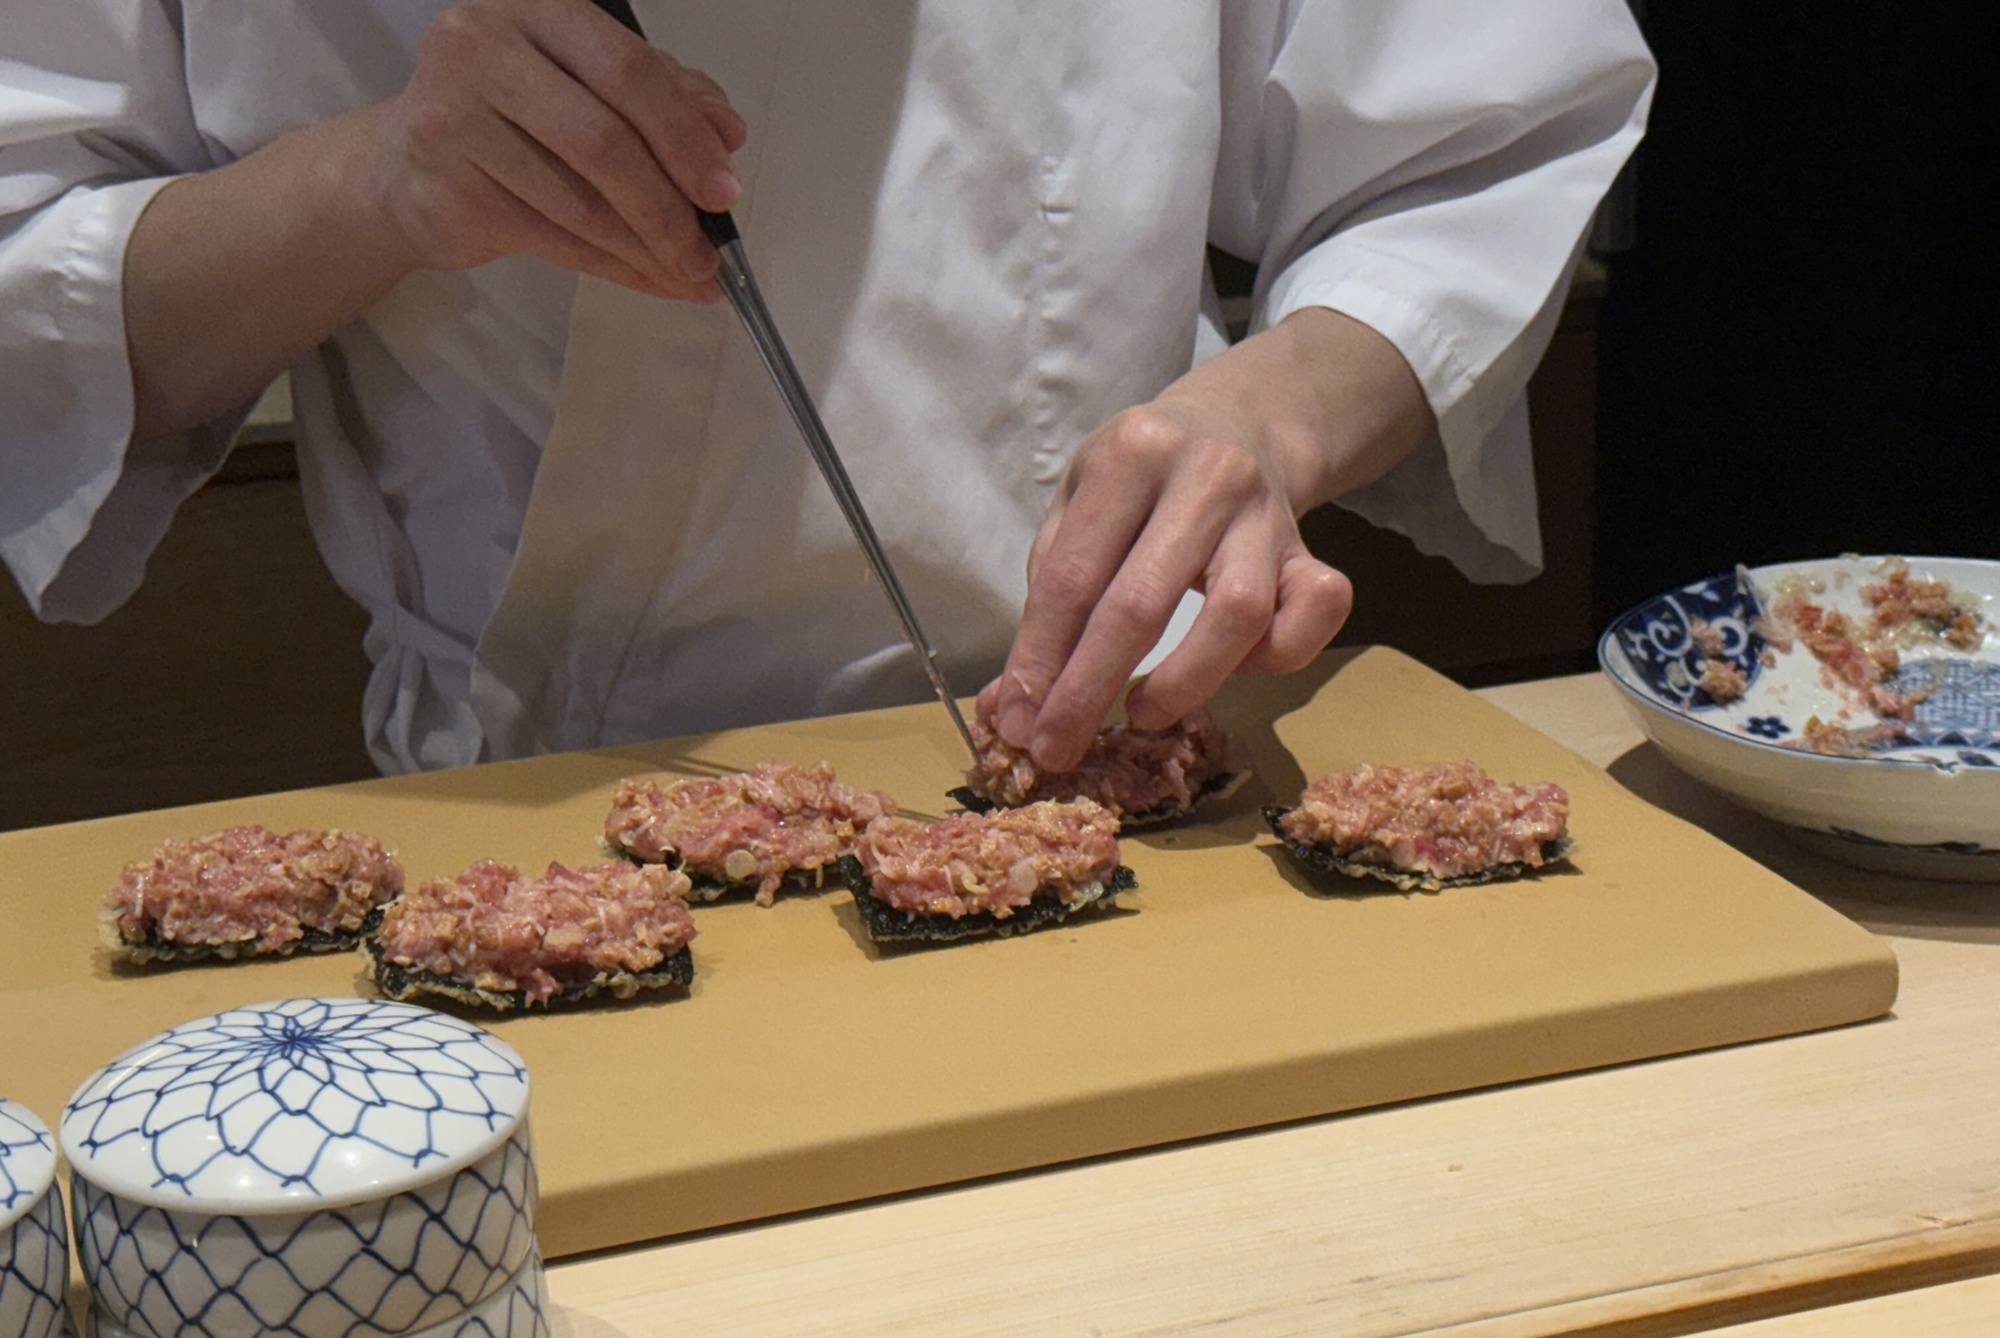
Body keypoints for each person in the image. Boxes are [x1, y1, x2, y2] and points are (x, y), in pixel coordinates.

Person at [0, 1, 1653, 775]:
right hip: (516, 809)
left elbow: (1473, 147)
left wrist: (1262, 421)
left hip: (1112, 765)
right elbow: (30, 283)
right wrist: (370, 188)